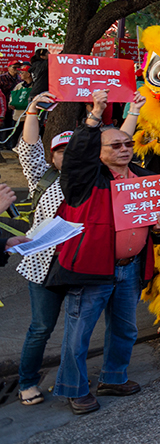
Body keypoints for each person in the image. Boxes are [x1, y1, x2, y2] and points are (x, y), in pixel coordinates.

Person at [46, 90, 160, 415]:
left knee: (125, 329)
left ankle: (114, 377)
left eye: (127, 144)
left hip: (130, 268)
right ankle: (74, 389)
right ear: (98, 152)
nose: (124, 149)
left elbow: (156, 228)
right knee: (79, 334)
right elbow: (76, 158)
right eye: (115, 146)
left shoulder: (144, 178)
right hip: (93, 270)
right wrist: (94, 117)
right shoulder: (86, 180)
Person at [13, 91, 72, 406]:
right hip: (43, 266)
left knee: (78, 327)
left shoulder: (95, 179)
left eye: (74, 150)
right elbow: (28, 149)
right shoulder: (43, 178)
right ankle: (26, 382)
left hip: (81, 265)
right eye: (60, 151)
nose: (67, 156)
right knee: (41, 328)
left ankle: (72, 377)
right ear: (52, 156)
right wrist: (33, 110)